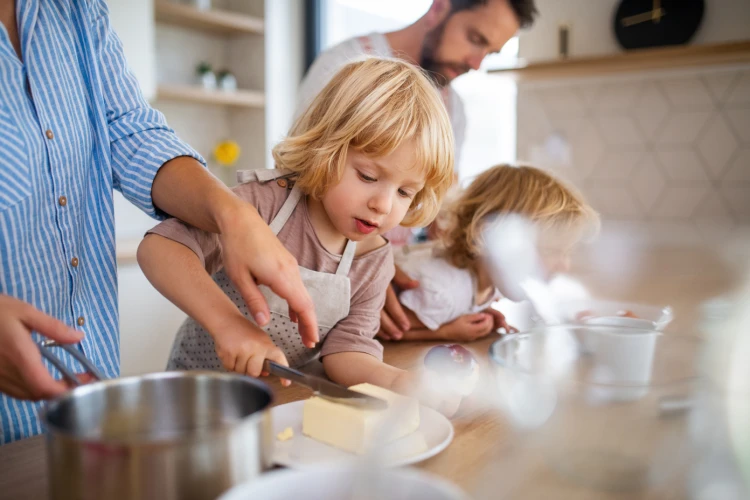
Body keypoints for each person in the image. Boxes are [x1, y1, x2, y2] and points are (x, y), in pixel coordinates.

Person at [0, 0, 317, 444]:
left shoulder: (75, 8)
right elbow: (160, 248)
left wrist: (232, 215)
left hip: (87, 402)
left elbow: (129, 130)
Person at [138, 58, 460, 414]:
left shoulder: (373, 259)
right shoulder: (262, 205)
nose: (383, 205)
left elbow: (346, 352)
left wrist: (401, 382)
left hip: (280, 404)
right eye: (368, 176)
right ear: (327, 148)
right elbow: (159, 249)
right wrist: (228, 325)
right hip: (195, 397)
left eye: (405, 192)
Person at [297, 0, 539, 340]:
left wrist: (468, 298)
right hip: (324, 284)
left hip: (393, 298)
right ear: (440, 7)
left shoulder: (452, 109)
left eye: (490, 52)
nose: (476, 62)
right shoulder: (345, 67)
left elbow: (441, 214)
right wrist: (370, 266)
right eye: (475, 38)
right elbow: (302, 180)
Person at [392, 165, 599, 342]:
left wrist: (473, 312)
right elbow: (380, 328)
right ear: (489, 238)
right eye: (551, 250)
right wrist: (445, 331)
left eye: (567, 252)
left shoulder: (488, 277)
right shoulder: (443, 292)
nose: (564, 265)